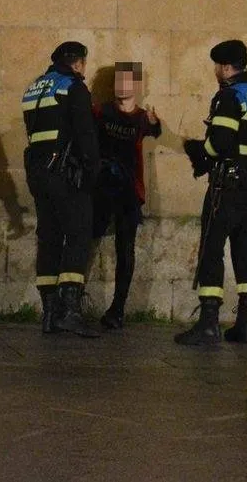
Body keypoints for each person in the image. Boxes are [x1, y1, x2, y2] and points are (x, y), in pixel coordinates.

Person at [176, 40, 247, 346]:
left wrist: (197, 149)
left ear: (226, 67)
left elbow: (220, 143)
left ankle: (208, 323)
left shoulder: (228, 96)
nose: (215, 71)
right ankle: (246, 322)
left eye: (217, 66)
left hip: (225, 187)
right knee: (244, 252)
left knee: (212, 250)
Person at [22, 41, 100, 337]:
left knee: (49, 237)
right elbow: (84, 134)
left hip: (38, 174)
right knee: (78, 235)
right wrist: (92, 172)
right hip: (67, 175)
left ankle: (49, 313)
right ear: (78, 63)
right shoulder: (73, 87)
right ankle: (70, 311)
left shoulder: (34, 88)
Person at [91, 62, 161, 329]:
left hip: (128, 191)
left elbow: (155, 130)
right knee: (85, 239)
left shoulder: (143, 117)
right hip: (101, 187)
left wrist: (155, 124)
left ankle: (117, 309)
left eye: (127, 81)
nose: (121, 86)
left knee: (125, 248)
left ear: (137, 86)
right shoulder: (101, 111)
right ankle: (71, 300)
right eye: (118, 81)